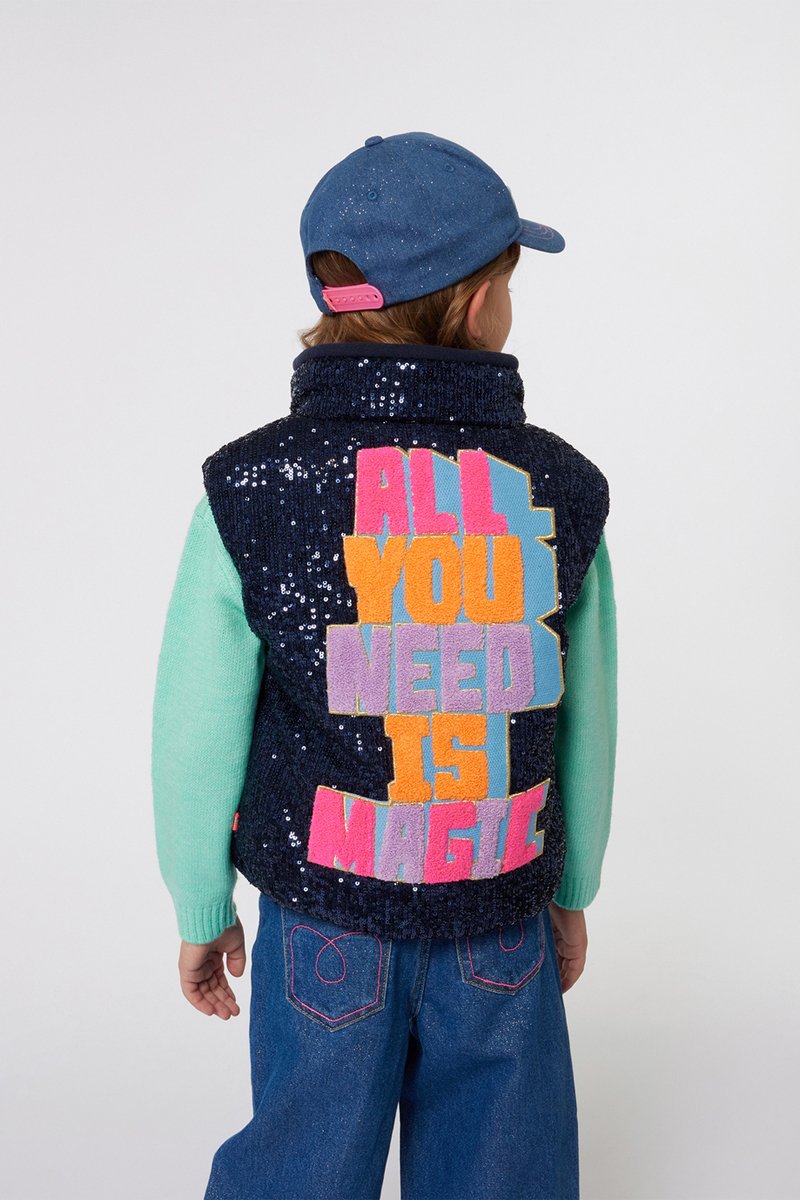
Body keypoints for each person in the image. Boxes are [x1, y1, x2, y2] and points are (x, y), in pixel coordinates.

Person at [152, 131, 618, 1200]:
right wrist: (572, 886)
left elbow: (194, 722)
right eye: (507, 284)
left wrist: (199, 905)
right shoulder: (562, 486)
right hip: (499, 912)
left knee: (299, 1168)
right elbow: (588, 712)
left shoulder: (249, 486)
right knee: (503, 1173)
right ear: (476, 306)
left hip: (324, 918)